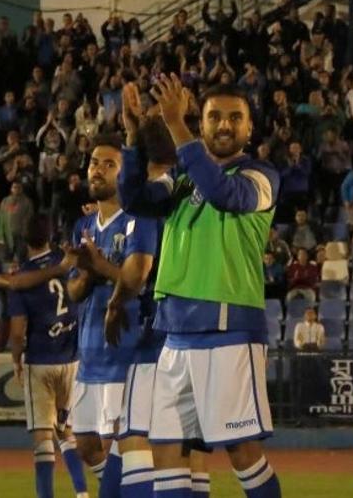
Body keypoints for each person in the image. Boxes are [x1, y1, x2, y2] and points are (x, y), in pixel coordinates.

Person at [118, 78, 284, 498]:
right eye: (214, 117)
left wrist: (177, 127)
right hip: (175, 332)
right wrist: (135, 139)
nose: (224, 125)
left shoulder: (260, 176)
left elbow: (226, 195)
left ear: (250, 129)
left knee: (242, 451)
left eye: (235, 118)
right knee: (168, 450)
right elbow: (136, 200)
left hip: (226, 328)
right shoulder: (182, 177)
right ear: (203, 124)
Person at [104, 116, 212, 498]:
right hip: (199, 333)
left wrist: (115, 305)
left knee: (138, 439)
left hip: (157, 339)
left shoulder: (152, 198)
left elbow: (138, 269)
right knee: (189, 450)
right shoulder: (197, 188)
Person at [66, 136, 159, 498]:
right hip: (88, 354)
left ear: (125, 173)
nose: (97, 169)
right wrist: (88, 272)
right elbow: (74, 291)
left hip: (124, 350)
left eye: (108, 164)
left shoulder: (137, 219)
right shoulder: (83, 226)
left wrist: (99, 265)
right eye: (93, 162)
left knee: (120, 443)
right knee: (86, 446)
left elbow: (138, 278)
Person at [3, 216, 89, 498]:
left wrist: (16, 360)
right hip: (71, 358)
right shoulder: (68, 261)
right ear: (50, 236)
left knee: (42, 437)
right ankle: (82, 493)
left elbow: (17, 332)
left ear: (24, 241)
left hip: (40, 361)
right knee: (67, 431)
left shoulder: (23, 276)